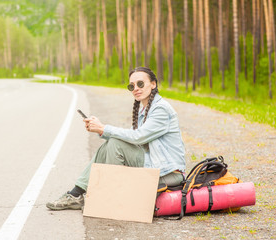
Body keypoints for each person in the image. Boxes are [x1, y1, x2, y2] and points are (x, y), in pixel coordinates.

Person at [46, 67, 186, 210]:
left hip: (169, 173)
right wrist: (102, 131)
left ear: (153, 84)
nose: (136, 88)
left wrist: (104, 128)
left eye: (140, 84)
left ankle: (110, 196)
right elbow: (134, 138)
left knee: (116, 144)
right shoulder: (146, 109)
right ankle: (77, 193)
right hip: (155, 164)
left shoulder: (161, 109)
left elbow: (138, 137)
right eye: (132, 86)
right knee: (110, 144)